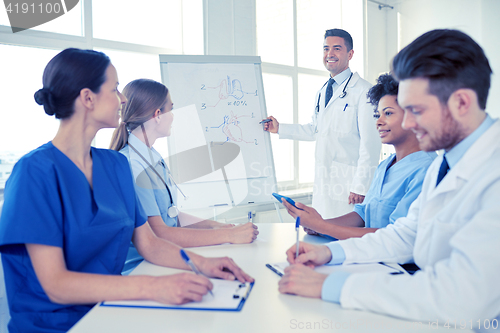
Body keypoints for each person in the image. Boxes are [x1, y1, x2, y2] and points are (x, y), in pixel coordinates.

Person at [0, 48, 253, 333]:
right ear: (87, 98)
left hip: (111, 309)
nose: (122, 99)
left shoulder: (115, 165)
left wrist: (204, 265)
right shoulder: (33, 173)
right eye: (115, 88)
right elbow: (56, 284)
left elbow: (150, 243)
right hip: (54, 325)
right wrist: (154, 286)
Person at [278, 29, 500, 329]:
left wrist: (329, 287)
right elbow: (406, 234)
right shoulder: (445, 163)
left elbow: (463, 297)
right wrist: (328, 252)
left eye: (415, 111)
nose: (407, 123)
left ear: (461, 102)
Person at [109, 79, 259, 271]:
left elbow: (171, 215)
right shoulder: (134, 164)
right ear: (157, 115)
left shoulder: (149, 154)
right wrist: (229, 236)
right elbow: (158, 233)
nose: (173, 116)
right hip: (142, 267)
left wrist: (219, 227)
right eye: (171, 109)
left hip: (161, 258)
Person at [282, 73, 436, 240]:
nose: (378, 121)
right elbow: (362, 216)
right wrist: (318, 225)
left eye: (388, 114)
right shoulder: (385, 166)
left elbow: (397, 236)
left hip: (396, 263)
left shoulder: (427, 170)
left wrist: (323, 226)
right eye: (378, 115)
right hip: (368, 255)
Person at [264, 28, 381, 219]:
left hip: (350, 188)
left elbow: (371, 144)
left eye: (337, 49)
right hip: (325, 184)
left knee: (345, 238)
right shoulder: (323, 91)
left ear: (350, 54)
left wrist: (361, 185)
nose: (330, 54)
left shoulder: (364, 92)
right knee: (322, 233)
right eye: (326, 49)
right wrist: (280, 129)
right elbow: (315, 130)